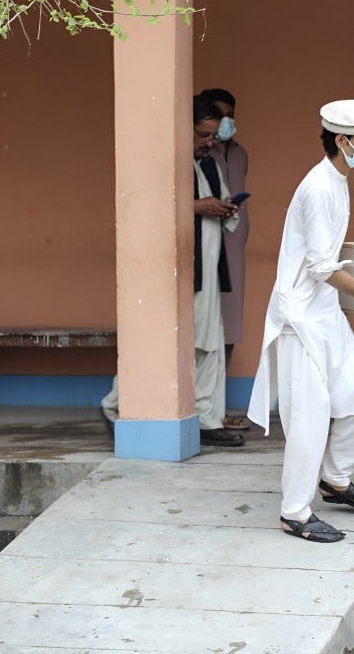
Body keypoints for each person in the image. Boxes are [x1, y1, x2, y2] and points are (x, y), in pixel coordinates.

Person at [247, 99, 354, 543]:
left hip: (325, 312)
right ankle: (294, 512)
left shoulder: (339, 179)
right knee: (309, 421)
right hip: (299, 319)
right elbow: (320, 267)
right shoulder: (318, 187)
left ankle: (335, 481)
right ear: (342, 141)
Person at [101, 96, 245, 448]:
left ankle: (208, 420)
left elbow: (225, 206)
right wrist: (198, 206)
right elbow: (147, 209)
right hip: (172, 271)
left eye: (212, 135)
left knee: (209, 345)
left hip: (208, 272)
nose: (209, 141)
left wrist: (225, 208)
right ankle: (116, 406)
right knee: (162, 342)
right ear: (183, 129)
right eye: (202, 134)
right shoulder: (162, 162)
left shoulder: (209, 164)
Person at [201, 88, 252, 431]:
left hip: (233, 248)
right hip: (204, 249)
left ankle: (216, 407)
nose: (225, 121)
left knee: (228, 327)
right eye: (220, 114)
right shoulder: (198, 154)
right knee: (203, 330)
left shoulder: (240, 153)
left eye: (230, 114)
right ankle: (205, 409)